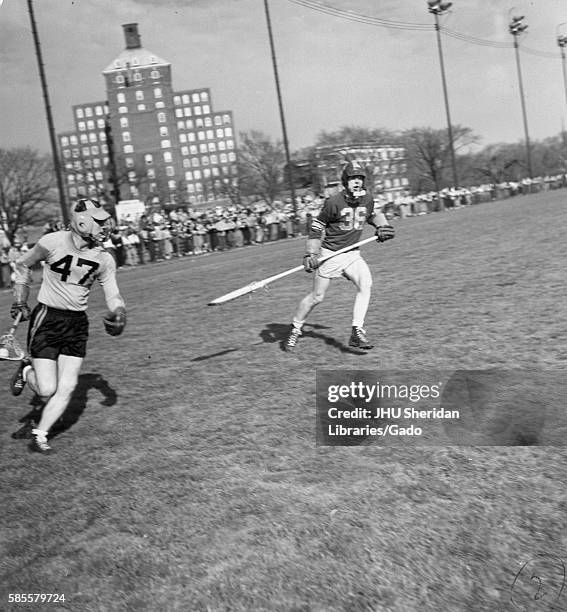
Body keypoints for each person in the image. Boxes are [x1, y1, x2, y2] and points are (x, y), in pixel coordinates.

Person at [9, 198, 127, 454]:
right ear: (81, 221)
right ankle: (26, 369)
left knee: (68, 386)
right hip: (48, 319)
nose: (104, 226)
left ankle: (40, 434)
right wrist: (20, 299)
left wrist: (119, 312)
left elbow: (113, 294)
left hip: (77, 323)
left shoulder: (105, 258)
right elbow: (22, 263)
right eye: (98, 221)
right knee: (46, 389)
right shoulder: (53, 241)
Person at [284, 161, 395, 352]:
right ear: (345, 181)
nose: (357, 182)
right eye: (353, 178)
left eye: (360, 178)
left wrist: (381, 226)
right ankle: (295, 328)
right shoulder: (333, 202)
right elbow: (317, 226)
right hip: (331, 255)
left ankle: (357, 331)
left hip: (352, 253)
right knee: (317, 297)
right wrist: (311, 252)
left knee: (365, 283)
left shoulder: (367, 199)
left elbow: (374, 214)